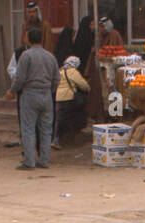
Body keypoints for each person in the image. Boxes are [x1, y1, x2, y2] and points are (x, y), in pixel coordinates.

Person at [11, 26, 57, 170]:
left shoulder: (26, 55)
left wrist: (12, 91)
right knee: (46, 130)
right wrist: (50, 91)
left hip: (30, 95)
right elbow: (57, 78)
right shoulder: (50, 56)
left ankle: (29, 162)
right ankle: (44, 160)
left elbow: (20, 78)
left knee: (28, 129)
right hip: (47, 95)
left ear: (28, 39)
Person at [53, 54, 89, 148]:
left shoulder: (59, 71)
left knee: (60, 118)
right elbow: (83, 85)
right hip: (69, 98)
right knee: (72, 117)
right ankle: (67, 139)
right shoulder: (73, 72)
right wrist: (88, 89)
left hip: (58, 98)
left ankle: (57, 139)